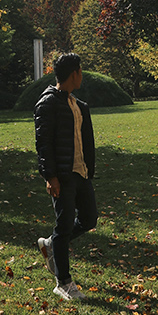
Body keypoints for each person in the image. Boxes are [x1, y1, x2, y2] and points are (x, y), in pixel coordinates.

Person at [34, 52, 97, 302]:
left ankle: (50, 245)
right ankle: (63, 282)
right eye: (80, 71)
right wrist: (51, 177)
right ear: (74, 73)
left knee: (89, 219)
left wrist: (89, 170)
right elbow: (43, 144)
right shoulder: (47, 103)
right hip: (62, 175)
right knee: (64, 224)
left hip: (81, 173)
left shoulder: (78, 105)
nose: (82, 75)